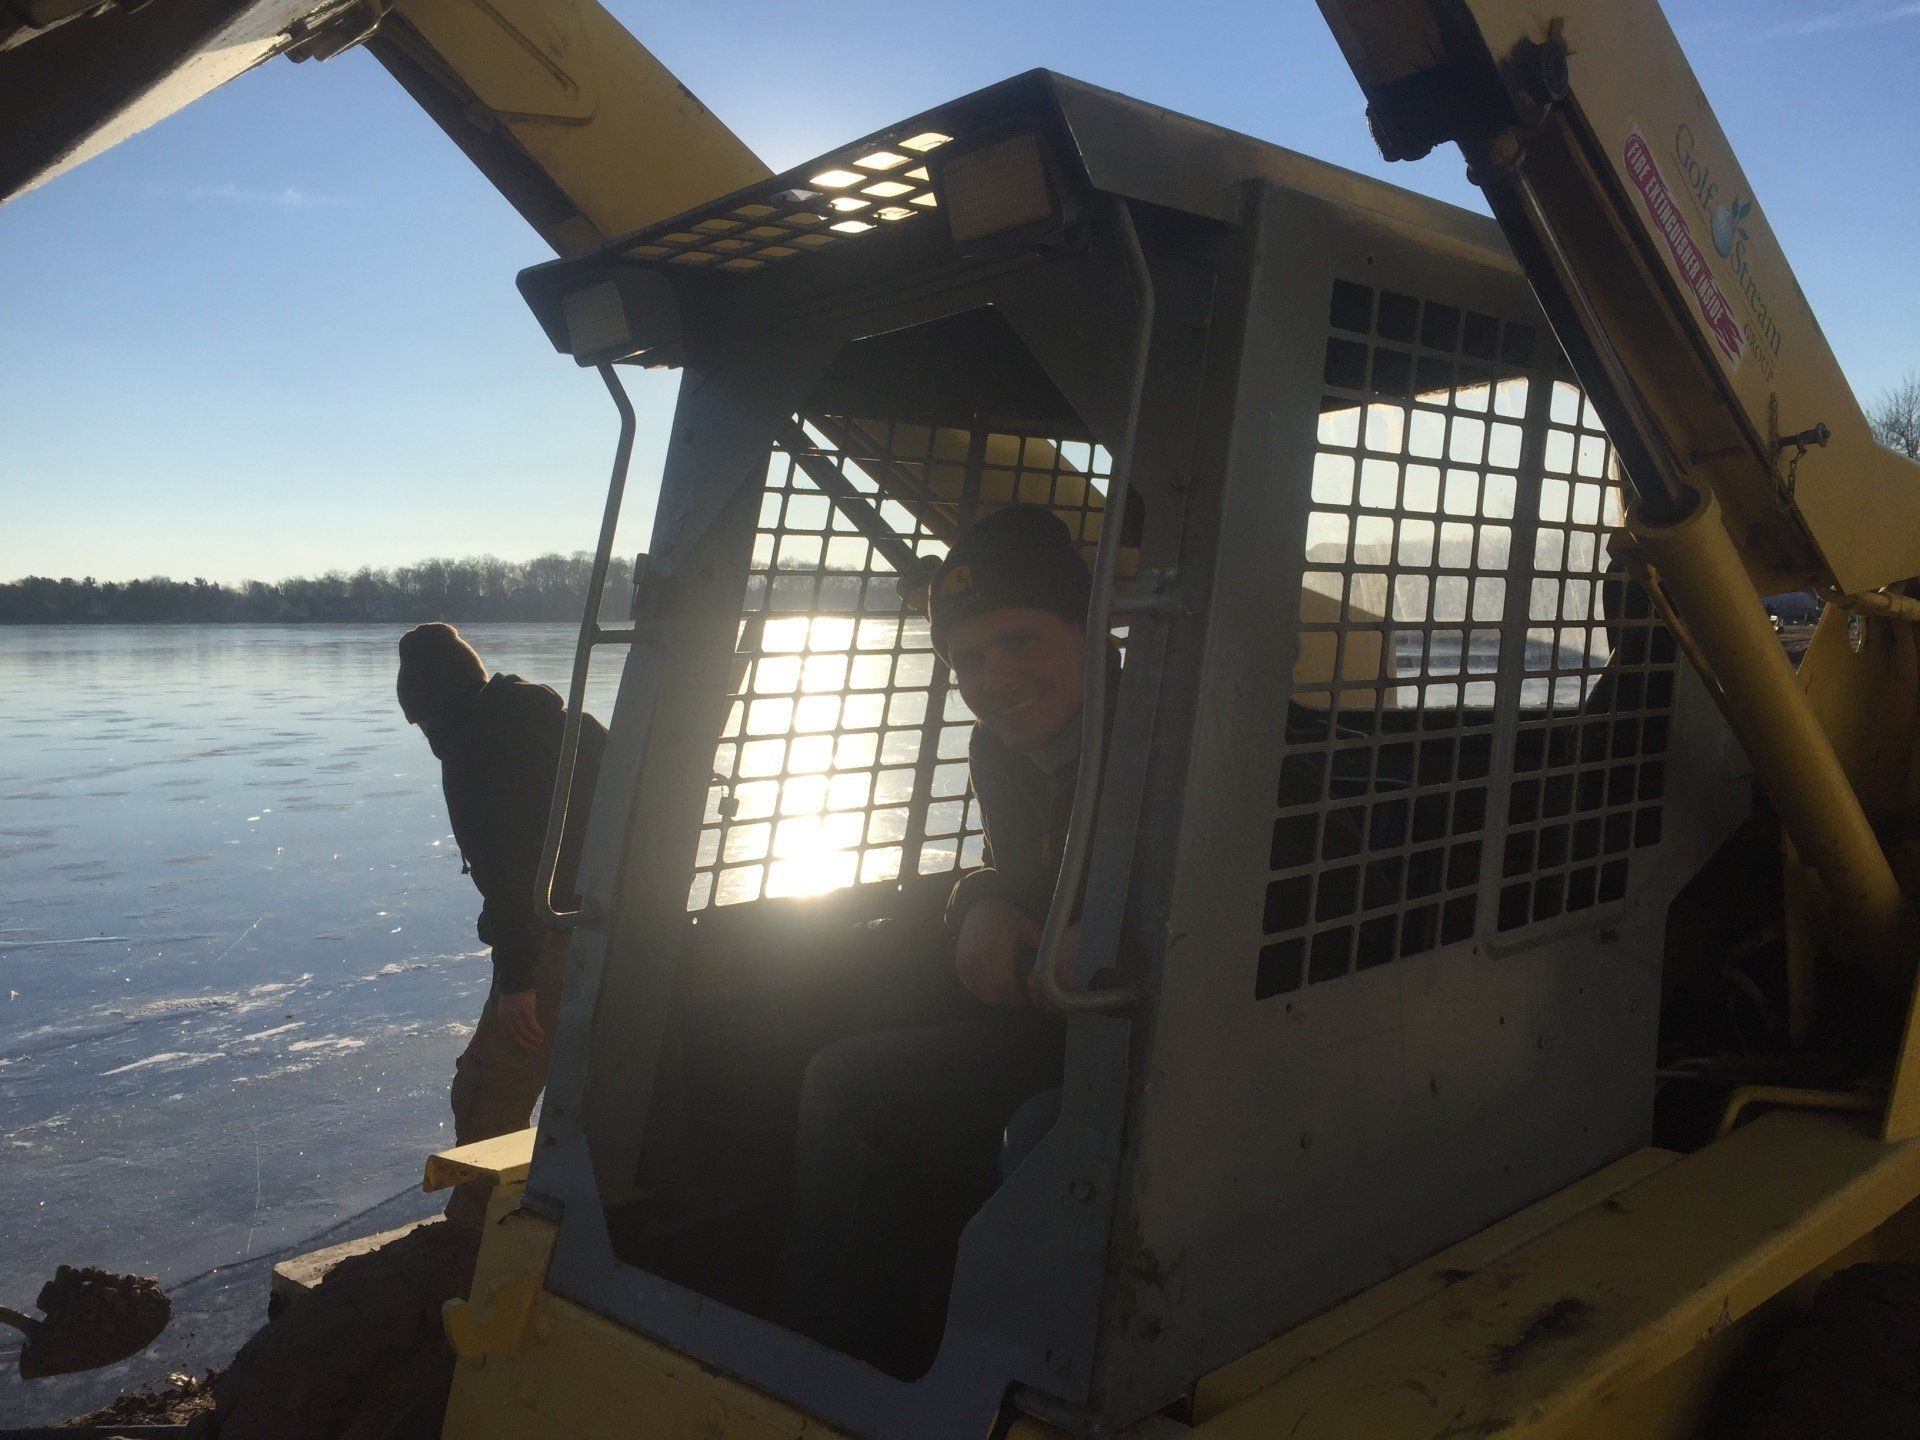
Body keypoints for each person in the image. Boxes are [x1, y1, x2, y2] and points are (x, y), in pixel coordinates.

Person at [775, 504, 1113, 1376]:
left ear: (1088, 625)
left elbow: (1288, 910)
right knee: (823, 984)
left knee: (862, 1086)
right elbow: (1016, 872)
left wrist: (1131, 948)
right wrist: (979, 900)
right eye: (967, 657)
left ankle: (870, 1367)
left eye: (1020, 641)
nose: (994, 677)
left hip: (1152, 1053)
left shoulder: (1184, 739)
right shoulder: (1003, 751)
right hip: (1053, 1022)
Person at [395, 622, 607, 1224]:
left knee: (487, 1092)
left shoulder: (473, 751)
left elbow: (514, 880)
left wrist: (517, 985)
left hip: (554, 936)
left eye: (422, 722)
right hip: (620, 921)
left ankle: (479, 1235)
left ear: (431, 708)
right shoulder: (558, 721)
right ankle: (587, 1208)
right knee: (597, 1080)